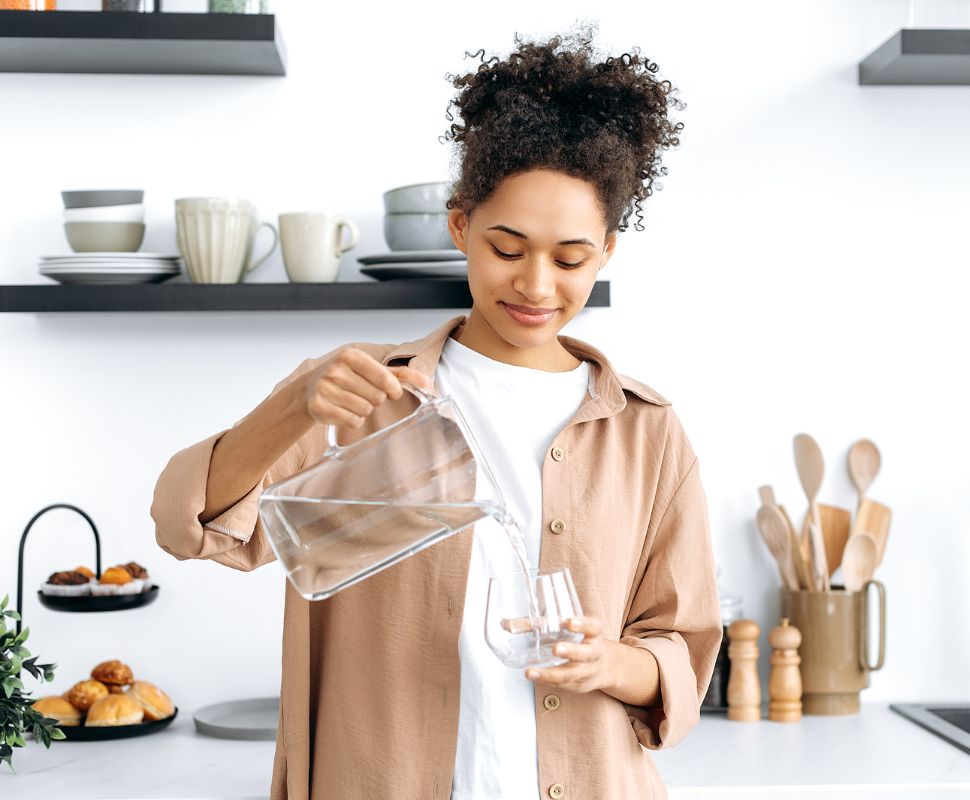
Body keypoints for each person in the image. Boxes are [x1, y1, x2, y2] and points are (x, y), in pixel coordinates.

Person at [152, 24, 721, 800]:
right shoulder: (356, 394)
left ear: (608, 253)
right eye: (507, 247)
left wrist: (613, 663)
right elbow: (188, 526)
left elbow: (681, 646)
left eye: (570, 258)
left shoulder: (645, 431)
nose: (536, 285)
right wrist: (289, 408)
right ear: (460, 226)